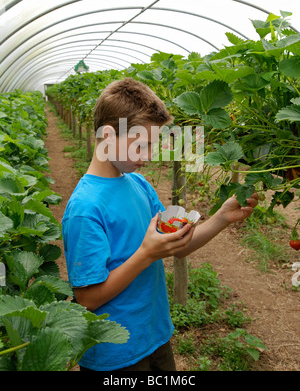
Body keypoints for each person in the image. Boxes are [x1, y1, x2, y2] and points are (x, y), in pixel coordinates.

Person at [62, 78, 258, 372]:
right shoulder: (85, 208)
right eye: (141, 145)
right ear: (108, 135)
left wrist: (222, 217)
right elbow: (87, 298)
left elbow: (177, 247)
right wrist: (147, 254)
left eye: (152, 145)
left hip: (155, 336)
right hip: (113, 354)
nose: (149, 156)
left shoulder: (139, 184)